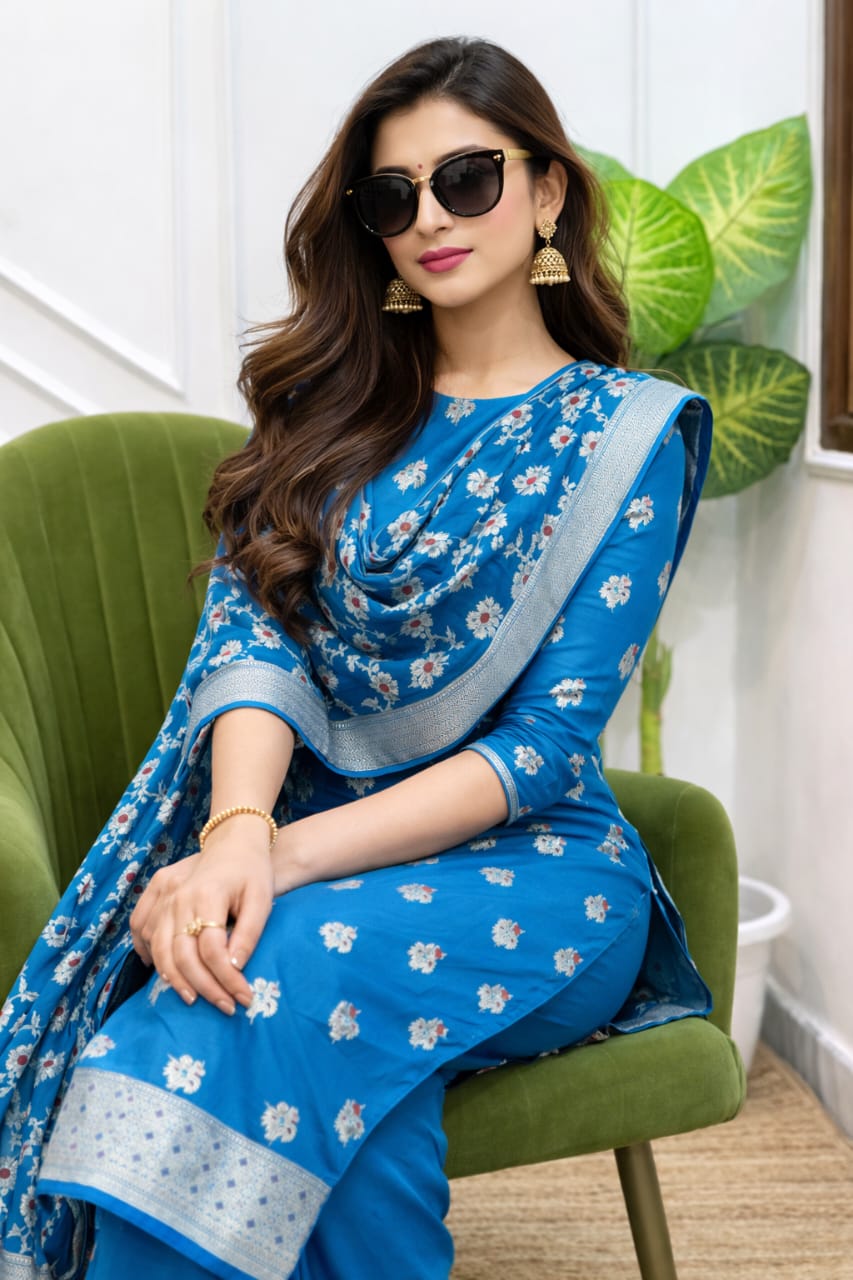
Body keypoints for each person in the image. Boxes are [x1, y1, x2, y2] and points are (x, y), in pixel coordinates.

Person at [0, 35, 713, 1280]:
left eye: (469, 179)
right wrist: (231, 830)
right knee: (325, 1066)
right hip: (313, 855)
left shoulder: (624, 434)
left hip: (540, 879)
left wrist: (276, 858)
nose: (431, 216)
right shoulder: (330, 419)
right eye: (395, 196)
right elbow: (253, 644)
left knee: (254, 968)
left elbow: (541, 751)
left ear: (547, 192)